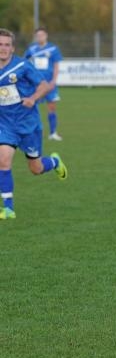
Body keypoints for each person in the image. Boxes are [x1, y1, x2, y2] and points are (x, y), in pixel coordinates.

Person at [0, 28, 68, 220]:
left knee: (35, 169)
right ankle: (8, 208)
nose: (3, 48)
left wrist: (33, 98)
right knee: (3, 160)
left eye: (6, 45)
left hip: (28, 124)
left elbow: (44, 86)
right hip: (5, 124)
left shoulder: (22, 65)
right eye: (0, 45)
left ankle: (54, 162)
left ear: (12, 48)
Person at [24, 27, 64, 141]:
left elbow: (56, 65)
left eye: (42, 35)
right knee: (31, 107)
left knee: (52, 107)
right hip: (35, 83)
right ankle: (30, 132)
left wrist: (53, 81)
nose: (40, 37)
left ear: (46, 35)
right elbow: (25, 63)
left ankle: (52, 133)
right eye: (38, 35)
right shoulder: (31, 49)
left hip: (49, 83)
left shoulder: (53, 49)